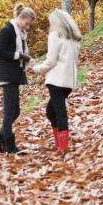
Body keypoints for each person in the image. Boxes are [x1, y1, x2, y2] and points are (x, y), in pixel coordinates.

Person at [30, 9, 82, 152]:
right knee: (50, 111)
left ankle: (63, 147)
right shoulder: (74, 38)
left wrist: (36, 69)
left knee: (59, 112)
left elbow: (51, 61)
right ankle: (59, 143)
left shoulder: (55, 35)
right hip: (69, 81)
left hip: (57, 80)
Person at [0, 3, 36, 154]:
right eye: (27, 23)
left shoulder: (21, 34)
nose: (28, 27)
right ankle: (9, 147)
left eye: (29, 25)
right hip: (7, 75)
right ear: (20, 17)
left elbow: (20, 54)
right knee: (9, 112)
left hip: (15, 74)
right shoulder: (7, 30)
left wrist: (28, 60)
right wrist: (20, 56)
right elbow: (0, 52)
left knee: (15, 112)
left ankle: (0, 143)